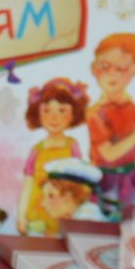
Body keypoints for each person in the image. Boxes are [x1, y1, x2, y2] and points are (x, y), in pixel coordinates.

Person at [85, 33, 135, 221]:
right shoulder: (96, 113)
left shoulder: (132, 108)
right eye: (104, 67)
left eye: (121, 68)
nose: (111, 74)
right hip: (105, 179)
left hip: (130, 176)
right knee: (105, 223)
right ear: (94, 69)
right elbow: (109, 154)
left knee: (126, 222)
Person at [17, 76, 88, 235]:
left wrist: (74, 211)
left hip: (62, 212)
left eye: (62, 110)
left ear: (73, 113)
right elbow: (28, 184)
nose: (53, 117)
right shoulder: (37, 150)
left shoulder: (72, 146)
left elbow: (77, 185)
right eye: (47, 110)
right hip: (36, 212)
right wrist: (21, 216)